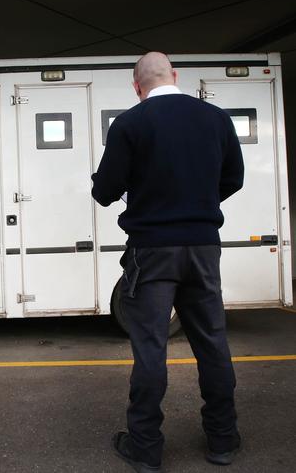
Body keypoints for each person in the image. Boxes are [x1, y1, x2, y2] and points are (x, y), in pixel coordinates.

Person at [91, 52, 244, 472]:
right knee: (212, 343)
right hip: (202, 247)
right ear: (175, 76)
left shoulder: (129, 124)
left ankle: (145, 449)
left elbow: (104, 190)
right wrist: (197, 202)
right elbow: (234, 179)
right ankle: (222, 440)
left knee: (151, 350)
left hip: (151, 251)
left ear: (137, 87)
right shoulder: (216, 119)